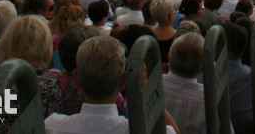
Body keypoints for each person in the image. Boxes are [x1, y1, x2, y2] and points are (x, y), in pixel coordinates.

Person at [44, 35, 178, 133]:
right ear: (123, 83)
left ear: (76, 79)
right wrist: (143, 89)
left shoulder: (51, 126)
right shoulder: (141, 130)